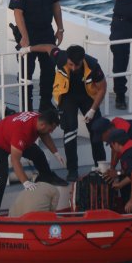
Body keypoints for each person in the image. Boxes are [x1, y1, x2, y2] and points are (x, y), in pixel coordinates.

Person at [23, 44, 107, 181]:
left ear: (83, 60)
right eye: (71, 64)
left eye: (77, 65)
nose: (74, 68)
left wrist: (92, 110)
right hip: (67, 95)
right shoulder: (61, 57)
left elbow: (102, 89)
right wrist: (28, 49)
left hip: (88, 95)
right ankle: (72, 170)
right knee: (70, 130)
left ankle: (101, 166)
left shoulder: (93, 66)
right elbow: (48, 47)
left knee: (96, 129)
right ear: (66, 59)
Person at [0, 109, 67, 216]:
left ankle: (46, 176)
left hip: (11, 136)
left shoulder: (39, 119)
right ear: (43, 125)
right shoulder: (22, 132)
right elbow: (15, 160)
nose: (51, 132)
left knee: (38, 154)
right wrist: (25, 182)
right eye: (51, 129)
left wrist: (56, 152)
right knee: (1, 177)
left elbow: (44, 134)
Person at [9, 0, 64, 112]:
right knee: (27, 72)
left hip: (46, 31)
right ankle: (26, 106)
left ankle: (46, 103)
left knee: (49, 69)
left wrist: (60, 29)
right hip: (28, 32)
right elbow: (18, 13)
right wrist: (24, 36)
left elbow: (56, 7)